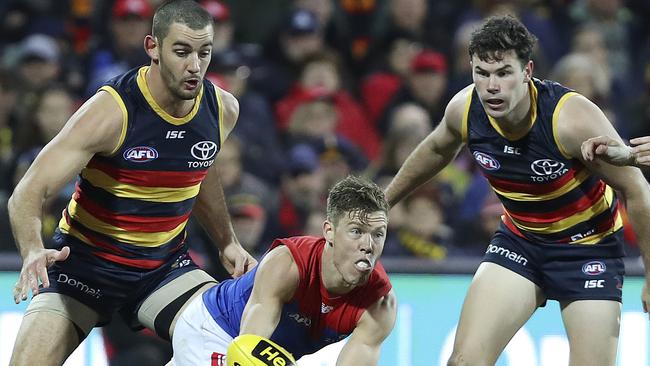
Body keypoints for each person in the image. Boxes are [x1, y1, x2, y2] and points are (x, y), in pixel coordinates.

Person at [384, 15, 650, 366]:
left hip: (589, 250)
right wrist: (383, 202)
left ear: (527, 71)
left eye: (504, 73)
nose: (491, 86)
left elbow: (637, 190)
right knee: (463, 362)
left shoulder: (570, 118)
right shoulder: (466, 109)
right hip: (521, 241)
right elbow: (436, 149)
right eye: (482, 73)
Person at [7, 1, 257, 365]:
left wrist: (227, 241)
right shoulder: (111, 111)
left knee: (236, 350)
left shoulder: (222, 109)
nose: (195, 66)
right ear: (152, 47)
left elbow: (200, 170)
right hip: (84, 266)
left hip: (161, 269)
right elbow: (28, 192)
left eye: (204, 52)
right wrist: (31, 250)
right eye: (182, 51)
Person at [171, 175, 397, 366]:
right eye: (356, 231)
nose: (368, 245)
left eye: (378, 234)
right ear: (329, 231)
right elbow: (246, 350)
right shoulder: (288, 263)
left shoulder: (379, 304)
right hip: (215, 329)